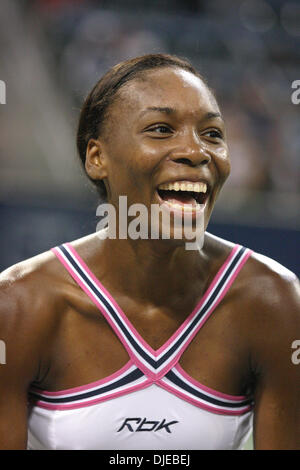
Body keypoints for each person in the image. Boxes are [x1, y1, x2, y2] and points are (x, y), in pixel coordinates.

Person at [0, 54, 299, 450]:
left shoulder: (274, 301)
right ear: (97, 158)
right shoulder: (18, 306)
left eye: (212, 134)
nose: (196, 152)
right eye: (161, 129)